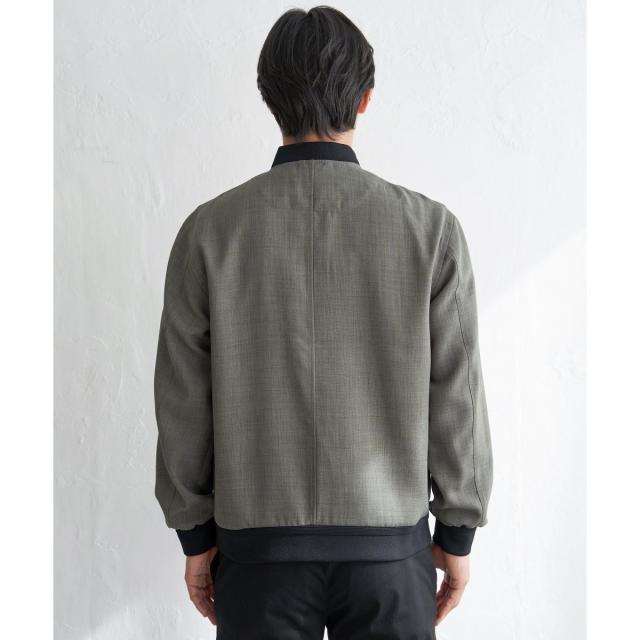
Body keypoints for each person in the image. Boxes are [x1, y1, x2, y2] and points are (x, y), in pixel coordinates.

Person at [153, 6, 493, 639]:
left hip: (256, 556)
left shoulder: (208, 233)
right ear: (365, 99)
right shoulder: (430, 231)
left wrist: (195, 536)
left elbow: (181, 400)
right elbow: (459, 395)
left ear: (268, 97)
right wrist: (457, 533)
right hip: (390, 554)